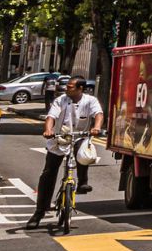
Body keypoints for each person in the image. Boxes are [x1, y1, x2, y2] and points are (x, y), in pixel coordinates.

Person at [26, 76, 103, 229]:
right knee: (48, 173)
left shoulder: (90, 101)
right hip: (59, 139)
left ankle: (83, 183)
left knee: (84, 154)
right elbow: (51, 117)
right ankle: (39, 212)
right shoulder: (60, 100)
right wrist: (48, 130)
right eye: (67, 87)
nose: (66, 89)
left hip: (79, 136)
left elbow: (98, 115)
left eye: (70, 87)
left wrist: (96, 127)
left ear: (80, 88)